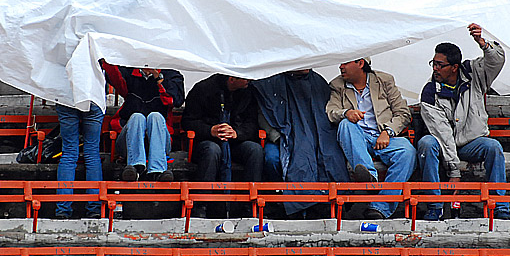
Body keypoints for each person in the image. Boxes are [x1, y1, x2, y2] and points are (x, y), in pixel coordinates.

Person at [418, 23, 510, 221]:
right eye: (433, 63)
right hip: (443, 146)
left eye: (440, 65)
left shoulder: (473, 72)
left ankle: (500, 207)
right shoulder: (429, 92)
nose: (435, 68)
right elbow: (441, 134)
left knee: (493, 146)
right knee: (426, 143)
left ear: (454, 67)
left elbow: (497, 61)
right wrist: (454, 169)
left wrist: (483, 43)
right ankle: (434, 206)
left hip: (471, 143)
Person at [326, 58, 416, 220]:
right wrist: (346, 112)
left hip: (383, 137)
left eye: (345, 63)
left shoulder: (384, 80)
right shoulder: (337, 85)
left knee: (407, 151)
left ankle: (380, 207)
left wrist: (388, 132)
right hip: (357, 139)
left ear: (360, 64)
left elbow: (403, 113)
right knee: (345, 125)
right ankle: (369, 176)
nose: (341, 66)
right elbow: (331, 112)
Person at [253, 69, 350, 217]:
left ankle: (321, 205)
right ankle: (277, 202)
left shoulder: (318, 82)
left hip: (315, 136)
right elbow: (264, 115)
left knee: (331, 158)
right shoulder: (271, 82)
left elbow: (326, 115)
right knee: (272, 159)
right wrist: (280, 137)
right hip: (280, 137)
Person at [181, 74, 263, 218]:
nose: (250, 81)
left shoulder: (249, 92)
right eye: (246, 79)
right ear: (232, 79)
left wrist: (237, 133)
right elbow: (188, 121)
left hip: (236, 142)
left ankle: (251, 207)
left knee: (254, 150)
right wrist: (210, 130)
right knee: (212, 150)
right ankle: (201, 206)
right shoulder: (202, 89)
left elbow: (253, 124)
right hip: (206, 141)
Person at [100, 59, 184, 182]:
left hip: (159, 143)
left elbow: (175, 101)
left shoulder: (171, 75)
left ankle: (158, 171)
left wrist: (158, 78)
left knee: (155, 116)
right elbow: (113, 71)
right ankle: (135, 168)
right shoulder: (129, 73)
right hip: (128, 143)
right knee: (137, 117)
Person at [55, 103, 104, 219]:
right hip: (93, 97)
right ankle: (94, 208)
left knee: (68, 153)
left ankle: (63, 209)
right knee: (92, 153)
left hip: (66, 97)